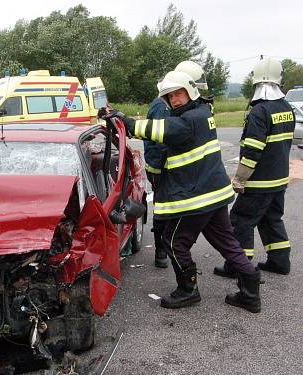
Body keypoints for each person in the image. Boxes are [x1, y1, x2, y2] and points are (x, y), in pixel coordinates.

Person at [104, 71, 261, 313]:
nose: (175, 99)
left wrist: (122, 120)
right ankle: (250, 293)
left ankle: (188, 290)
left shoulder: (188, 121)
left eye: (179, 94)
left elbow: (154, 130)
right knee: (227, 242)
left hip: (197, 197)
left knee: (174, 242)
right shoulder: (202, 113)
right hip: (215, 194)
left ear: (191, 91)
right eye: (170, 96)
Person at [214, 57, 294, 279]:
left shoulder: (259, 111)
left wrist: (239, 179)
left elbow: (252, 151)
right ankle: (280, 261)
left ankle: (238, 266)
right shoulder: (286, 107)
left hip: (259, 181)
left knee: (240, 220)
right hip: (279, 179)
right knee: (271, 219)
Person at [144, 61, 210, 269]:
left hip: (174, 168)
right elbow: (161, 142)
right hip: (162, 169)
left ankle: (172, 248)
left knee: (176, 210)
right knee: (164, 210)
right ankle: (161, 251)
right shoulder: (162, 105)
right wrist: (157, 172)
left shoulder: (179, 104)